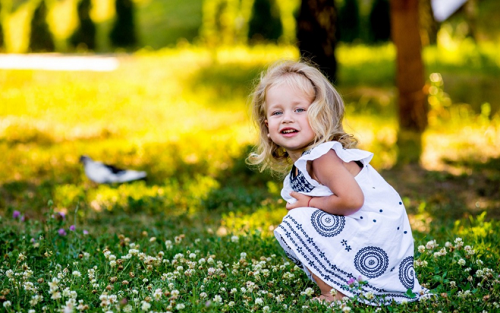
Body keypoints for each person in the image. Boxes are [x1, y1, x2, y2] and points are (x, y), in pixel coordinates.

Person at [247, 60, 427, 305]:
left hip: (376, 234)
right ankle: (344, 284)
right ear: (267, 126)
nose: (287, 118)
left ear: (320, 116)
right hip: (368, 235)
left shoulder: (323, 157)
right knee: (300, 224)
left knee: (298, 221)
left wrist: (310, 202)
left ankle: (335, 294)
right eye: (277, 112)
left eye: (299, 110)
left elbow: (352, 200)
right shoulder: (308, 161)